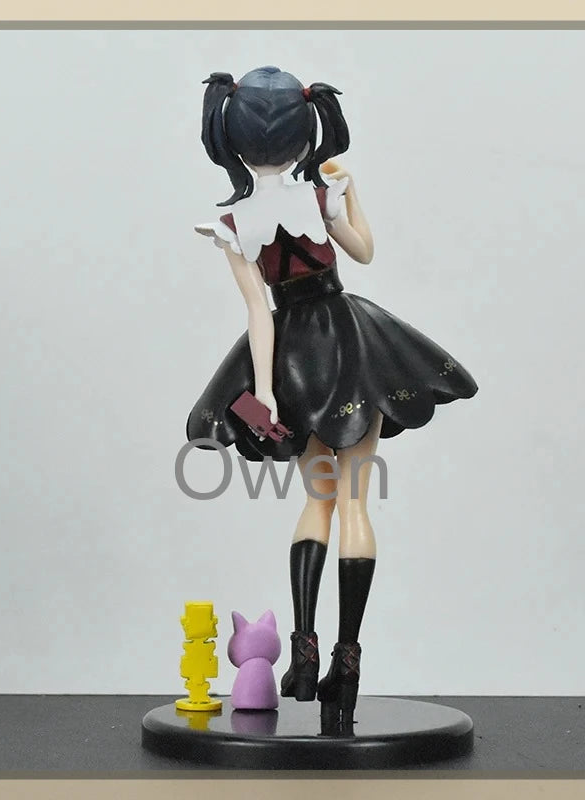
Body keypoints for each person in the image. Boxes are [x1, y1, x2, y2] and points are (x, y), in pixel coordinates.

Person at [187, 66, 478, 727]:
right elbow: (364, 252)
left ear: (229, 136)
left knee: (316, 500)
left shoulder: (233, 223)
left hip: (293, 354)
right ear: (307, 131)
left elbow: (259, 316)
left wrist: (265, 392)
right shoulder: (319, 199)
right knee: (353, 502)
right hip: (349, 344)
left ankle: (304, 652)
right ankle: (348, 661)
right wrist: (351, 193)